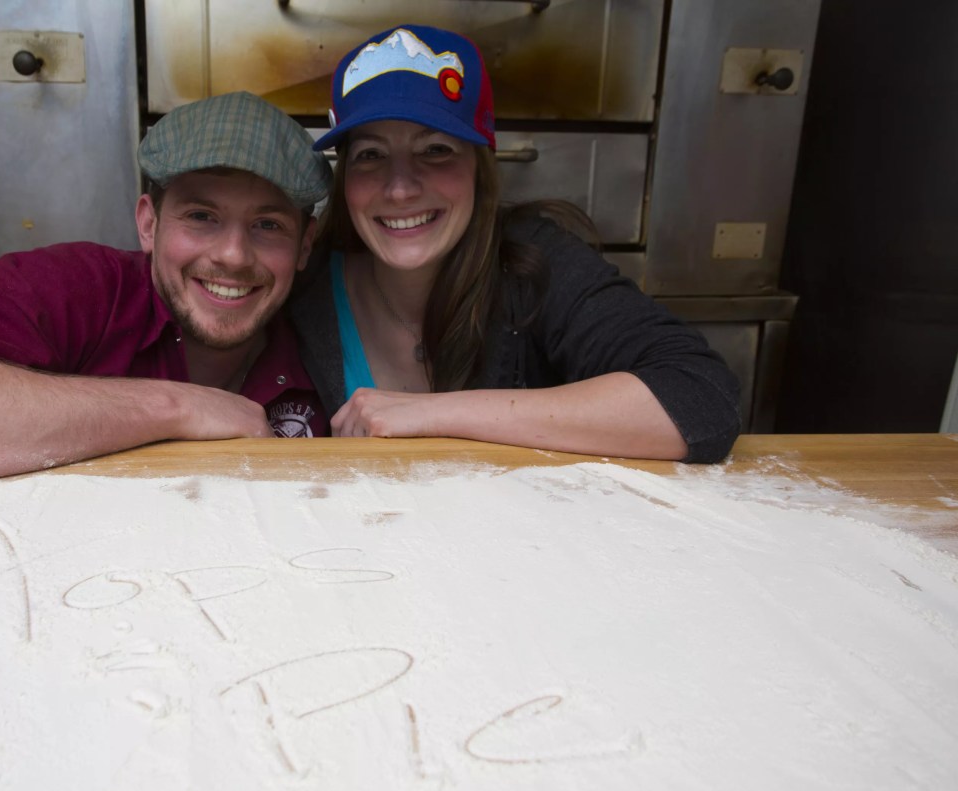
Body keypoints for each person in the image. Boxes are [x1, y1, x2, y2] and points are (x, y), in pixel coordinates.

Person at [0, 92, 332, 486]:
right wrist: (175, 406)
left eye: (268, 225)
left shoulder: (331, 330)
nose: (232, 256)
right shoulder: (77, 289)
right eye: (201, 216)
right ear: (148, 223)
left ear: (305, 244)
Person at [290, 24, 741, 463]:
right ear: (344, 174)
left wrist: (430, 413)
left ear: (479, 166)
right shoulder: (304, 287)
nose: (401, 189)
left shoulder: (535, 261)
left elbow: (699, 398)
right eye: (371, 155)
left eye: (436, 150)